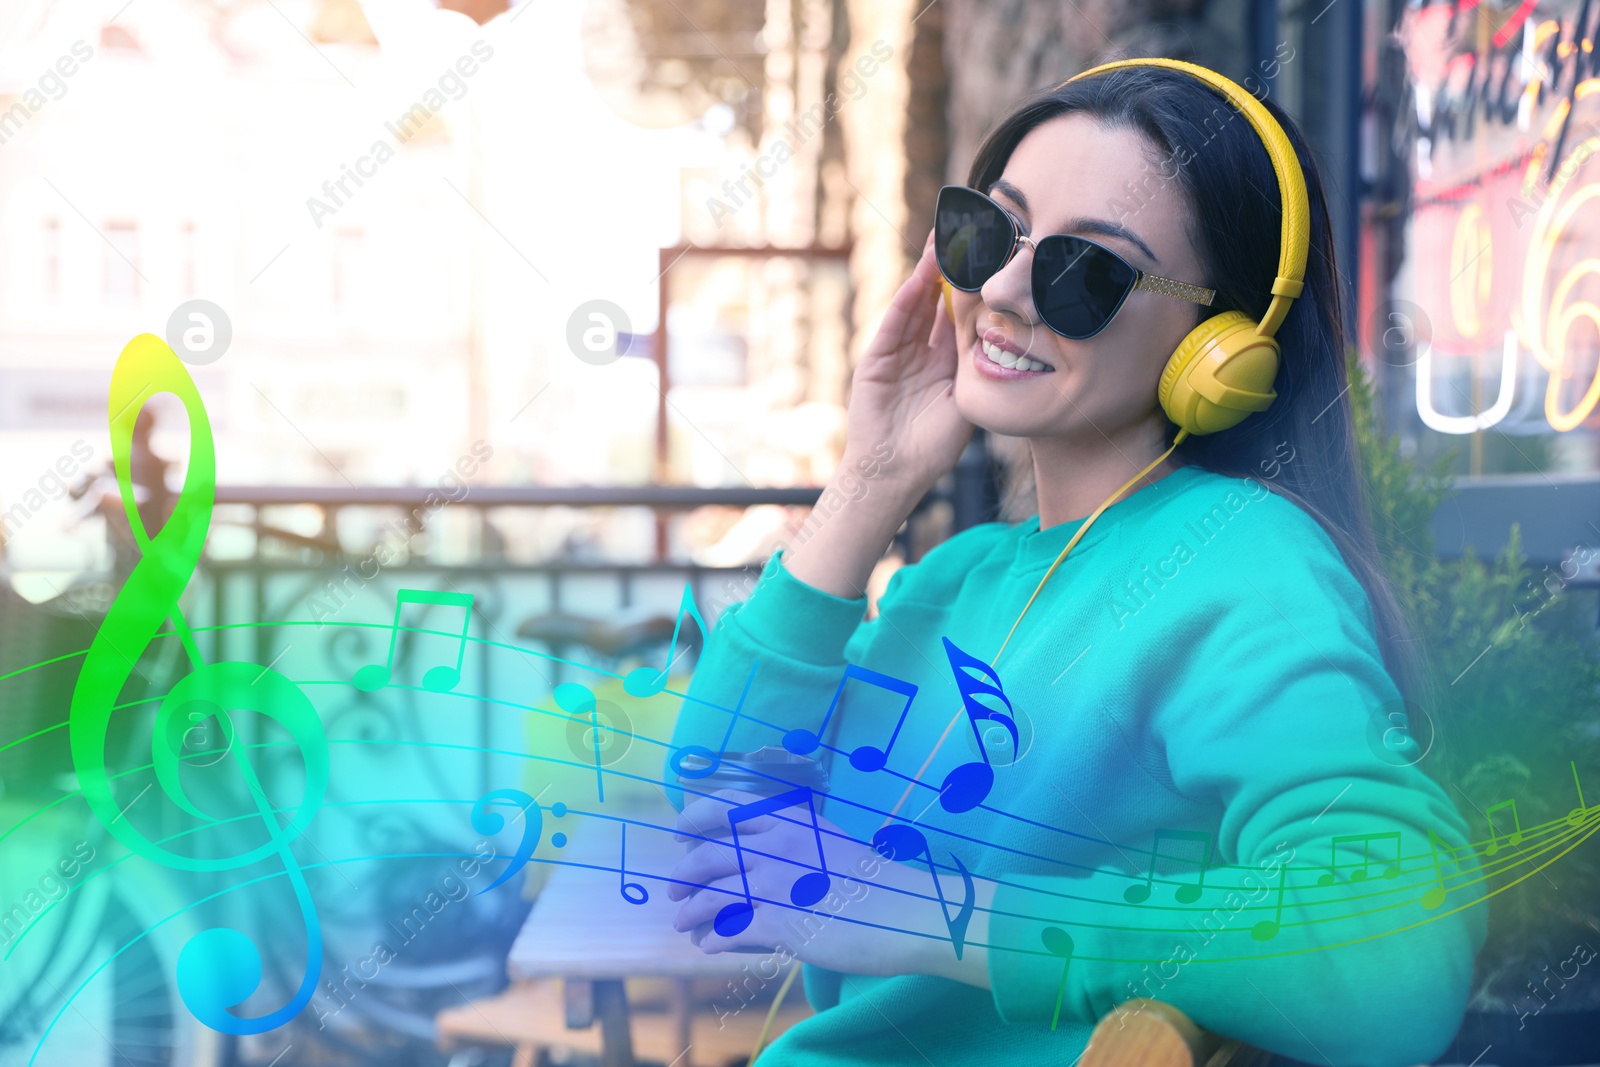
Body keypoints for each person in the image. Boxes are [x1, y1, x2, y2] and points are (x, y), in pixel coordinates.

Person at [665, 59, 1485, 1066]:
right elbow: (714, 809)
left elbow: (1396, 951)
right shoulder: (955, 579)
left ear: (1217, 344)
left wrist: (948, 914)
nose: (1005, 288)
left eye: (1084, 271)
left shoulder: (1235, 560)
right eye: (988, 231)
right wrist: (871, 480)